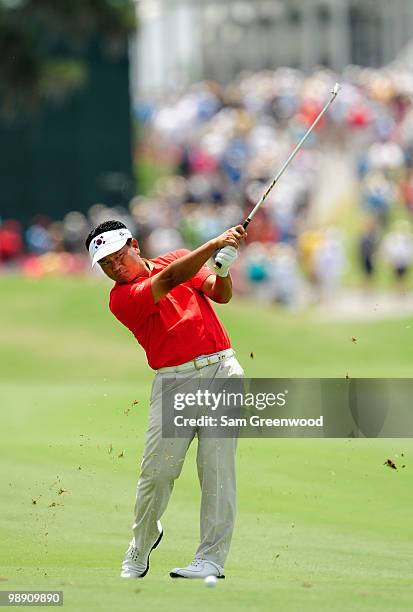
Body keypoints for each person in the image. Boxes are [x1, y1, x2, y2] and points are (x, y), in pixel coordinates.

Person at [85, 220, 247, 580]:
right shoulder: (121, 299)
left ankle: (211, 559)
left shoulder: (177, 258)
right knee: (157, 474)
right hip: (176, 382)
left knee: (218, 472)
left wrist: (224, 267)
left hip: (222, 370)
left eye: (116, 257)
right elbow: (172, 279)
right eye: (106, 265)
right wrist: (214, 243)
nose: (114, 267)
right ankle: (140, 545)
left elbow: (221, 295)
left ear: (134, 245)